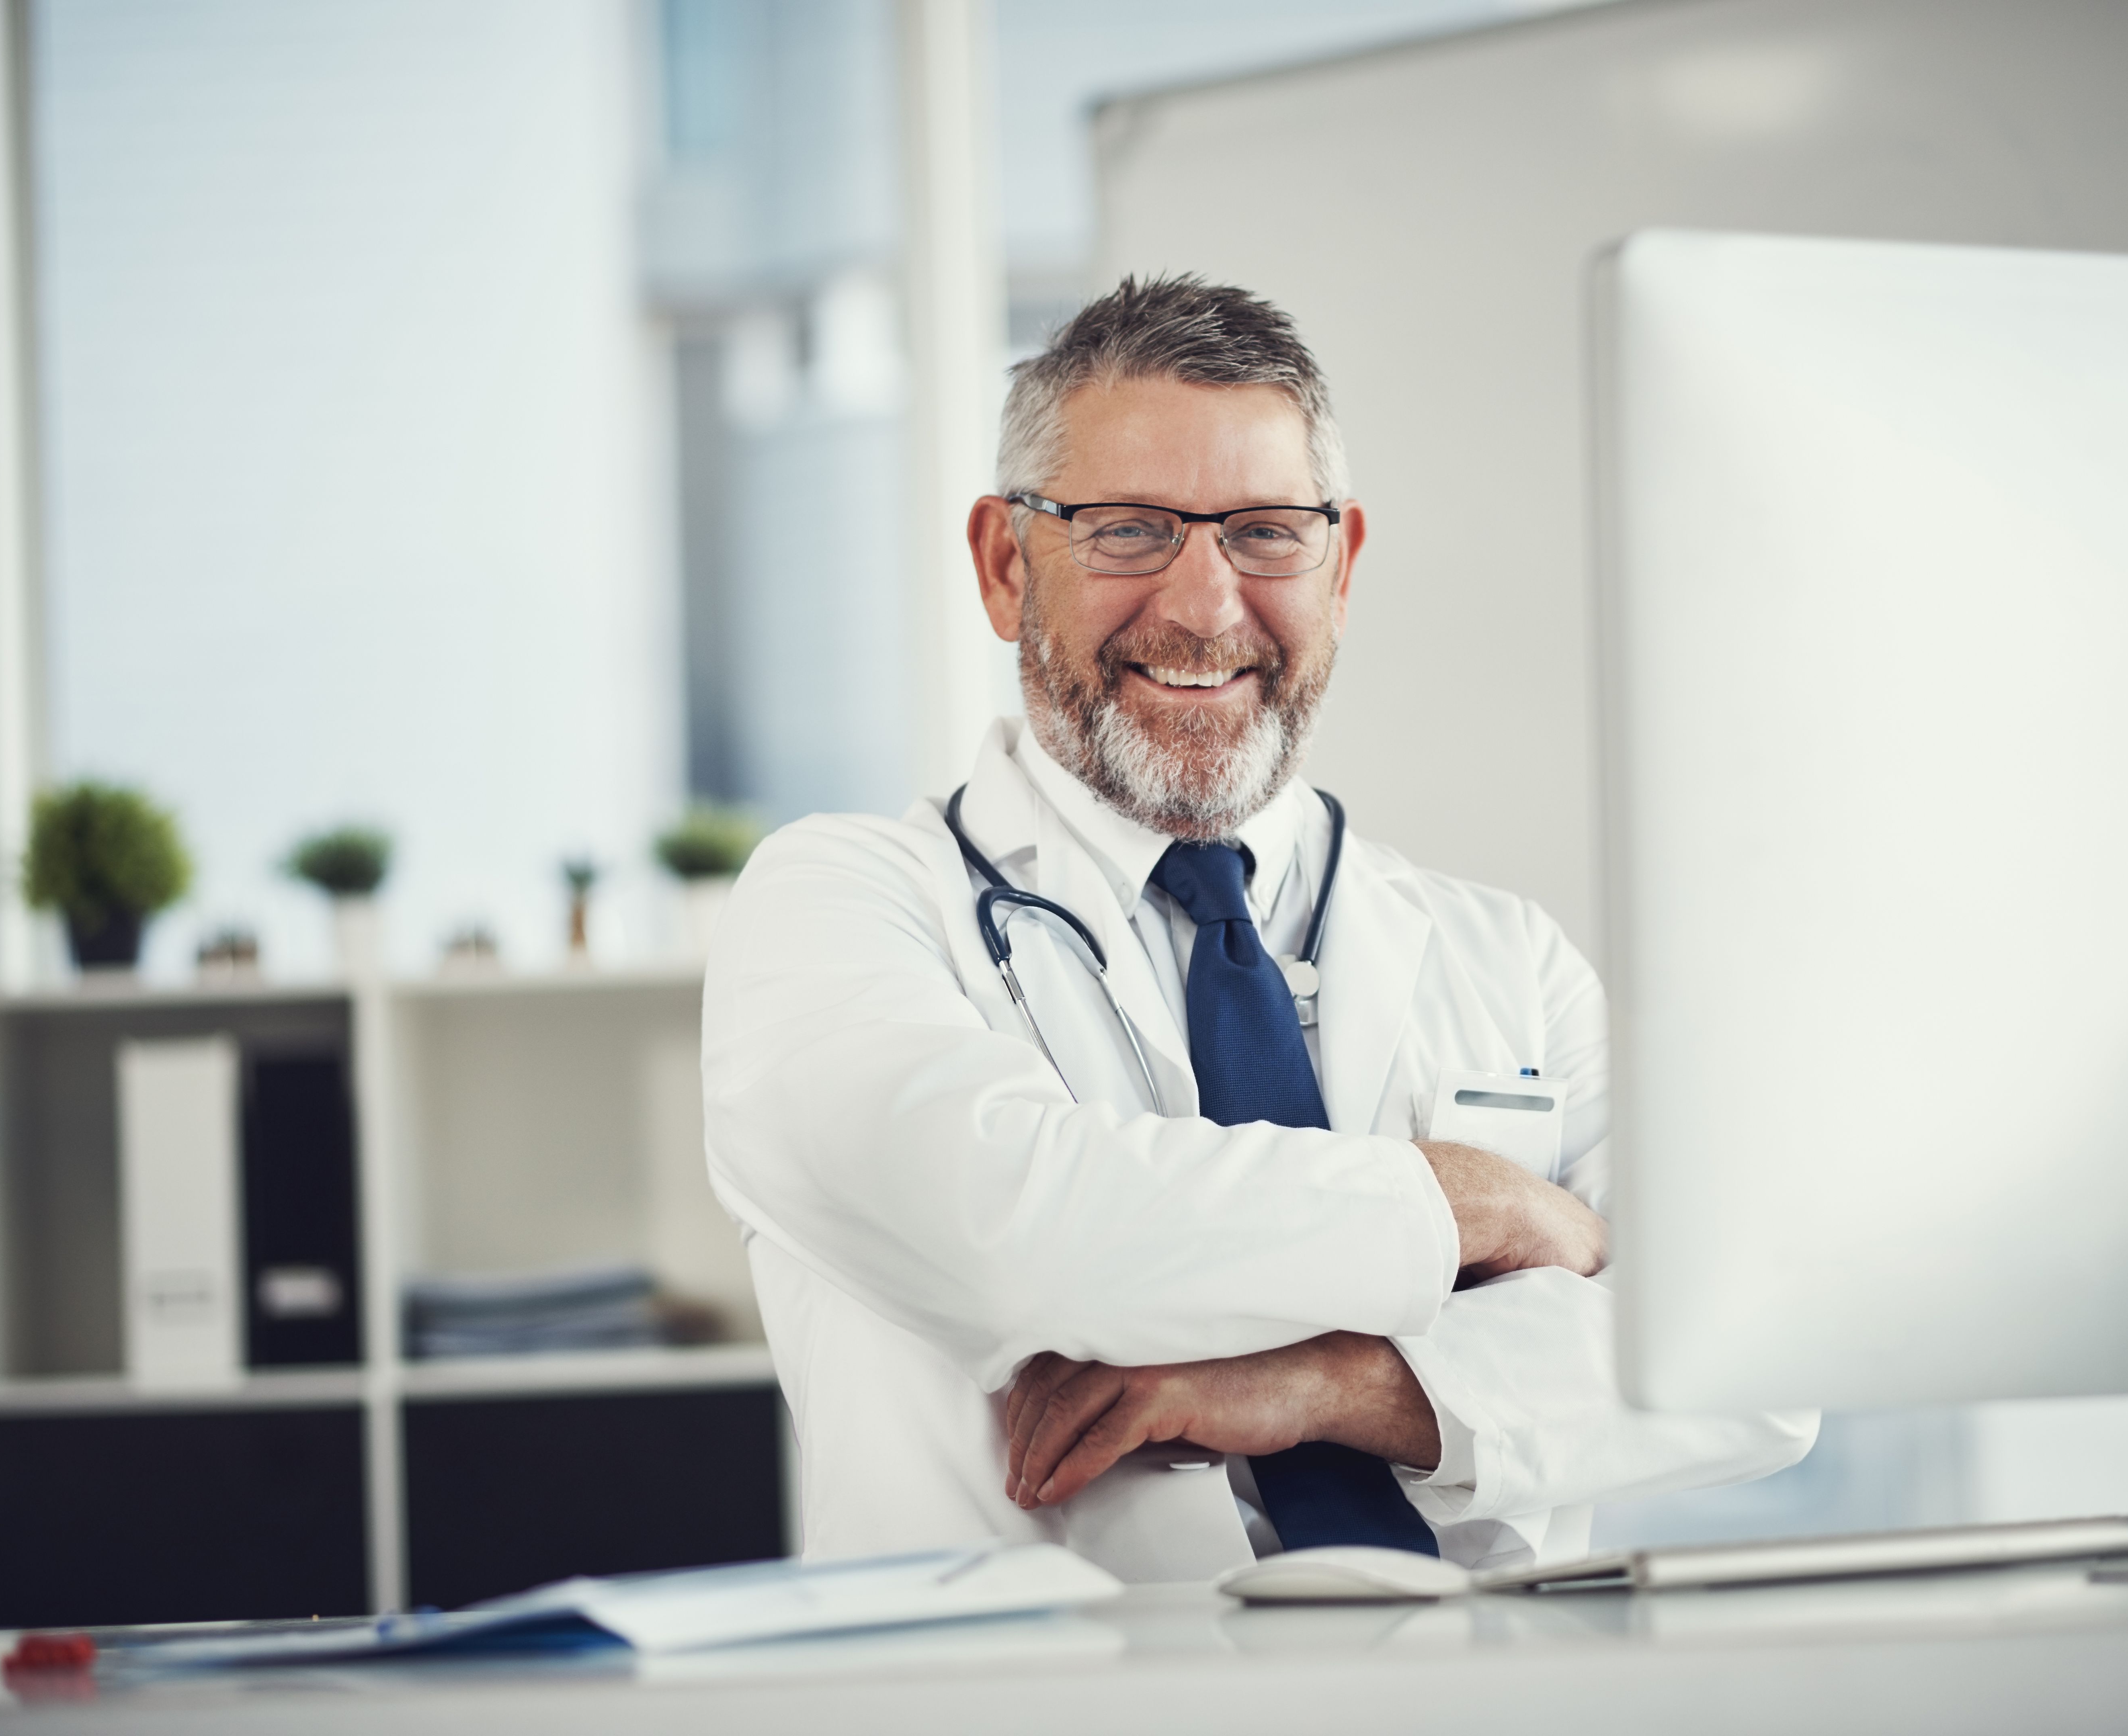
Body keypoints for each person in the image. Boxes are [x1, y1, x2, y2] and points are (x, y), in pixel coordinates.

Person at [702, 275, 1813, 1581]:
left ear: (1339, 567)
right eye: (1127, 530)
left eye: (1266, 534)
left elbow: (1746, 1359)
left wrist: (1335, 1388)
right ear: (1008, 566)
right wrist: (1469, 1203)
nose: (1204, 605)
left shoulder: (1501, 955)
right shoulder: (841, 904)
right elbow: (1023, 1234)